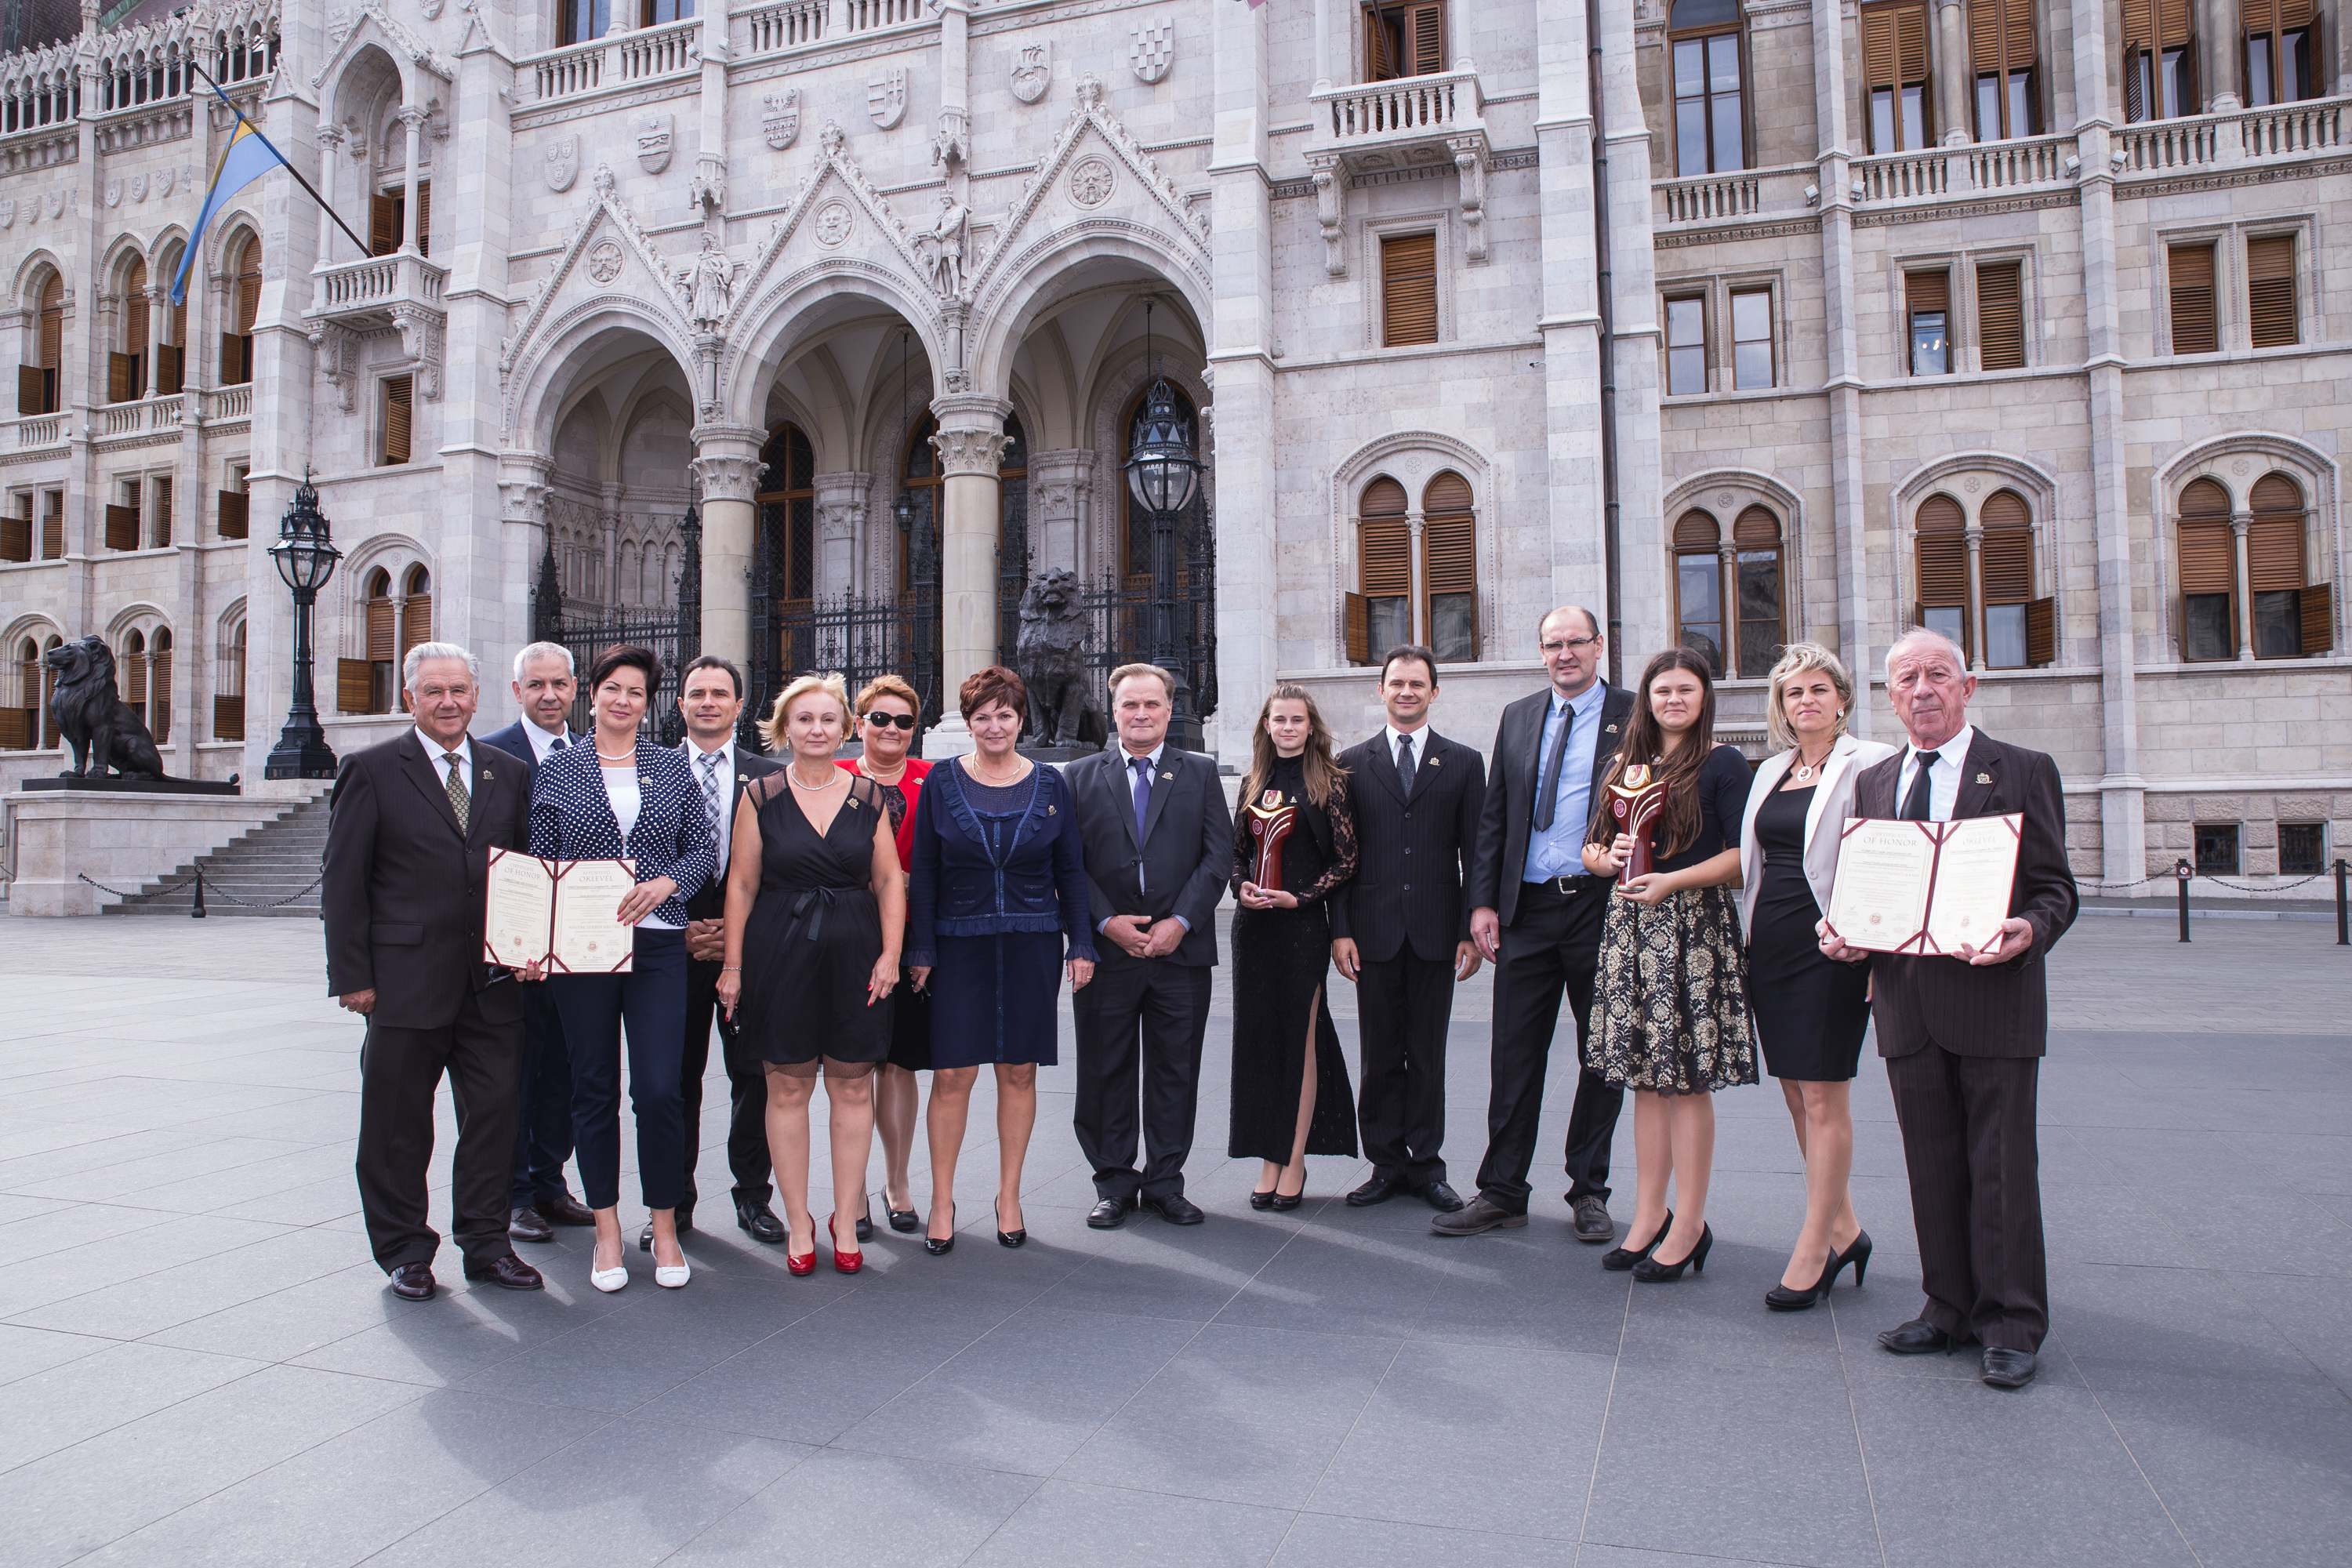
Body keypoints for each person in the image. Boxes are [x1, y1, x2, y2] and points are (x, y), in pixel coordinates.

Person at [1820, 628, 2078, 1389]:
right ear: (1890, 696)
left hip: (1994, 998)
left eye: (1938, 674)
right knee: (1929, 1161)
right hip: (1908, 1003)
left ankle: (2010, 1320)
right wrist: (1846, 935)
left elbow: (2055, 889)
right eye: (1907, 678)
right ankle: (1947, 1304)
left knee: (2000, 1164)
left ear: (1967, 687)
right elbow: (1868, 895)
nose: (1923, 689)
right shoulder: (1875, 783)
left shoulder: (2023, 771)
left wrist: (2029, 928)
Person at [323, 641, 543, 1301]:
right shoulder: (371, 770)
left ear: (478, 697)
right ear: (410, 699)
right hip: (402, 984)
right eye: (434, 692)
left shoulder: (508, 772)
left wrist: (532, 943)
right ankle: (404, 1251)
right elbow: (343, 882)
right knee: (396, 1125)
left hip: (493, 983)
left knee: (494, 1119)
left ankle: (486, 1245)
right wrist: (353, 978)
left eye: (459, 691)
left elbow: (524, 873)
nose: (448, 702)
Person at [1440, 607, 1636, 1241]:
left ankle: (1589, 1189)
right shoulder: (1519, 715)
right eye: (1552, 644)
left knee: (1600, 1054)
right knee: (1514, 1053)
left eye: (1575, 643)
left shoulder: (1634, 716)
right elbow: (1495, 816)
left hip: (1599, 907)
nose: (1564, 654)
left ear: (1599, 646)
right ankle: (1502, 1189)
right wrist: (1482, 903)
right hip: (1525, 909)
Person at [529, 644, 714, 1294]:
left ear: (647, 703)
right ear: (593, 694)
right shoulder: (559, 769)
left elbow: (703, 853)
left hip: (660, 945)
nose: (622, 700)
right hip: (583, 950)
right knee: (594, 1088)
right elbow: (540, 862)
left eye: (635, 692)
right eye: (612, 688)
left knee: (662, 1089)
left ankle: (663, 1225)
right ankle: (606, 1228)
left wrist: (667, 885)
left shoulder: (670, 767)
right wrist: (534, 940)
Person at [717, 675, 903, 1277]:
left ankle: (844, 1216)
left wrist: (891, 956)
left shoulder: (870, 795)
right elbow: (742, 884)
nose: (817, 729)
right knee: (787, 1089)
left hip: (856, 955)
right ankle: (799, 1220)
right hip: (780, 953)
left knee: (853, 1088)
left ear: (845, 727)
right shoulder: (760, 795)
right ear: (784, 729)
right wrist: (733, 966)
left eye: (828, 719)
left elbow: (888, 881)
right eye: (804, 720)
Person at [905, 666, 1096, 1252]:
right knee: (953, 1073)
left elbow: (1071, 869)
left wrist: (1081, 942)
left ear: (1021, 720)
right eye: (982, 716)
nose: (994, 725)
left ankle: (1008, 1196)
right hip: (958, 945)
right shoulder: (940, 781)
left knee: (1019, 1070)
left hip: (1032, 941)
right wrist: (921, 947)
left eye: (1005, 714)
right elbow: (926, 872)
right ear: (969, 724)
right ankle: (942, 1199)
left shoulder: (1050, 783)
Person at [1584, 648, 1756, 1283]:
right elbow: (1592, 848)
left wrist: (1670, 880)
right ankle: (1649, 1215)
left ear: (1704, 697)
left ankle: (1690, 1224)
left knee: (1685, 1078)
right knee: (1644, 1080)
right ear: (1646, 699)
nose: (1673, 700)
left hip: (1692, 925)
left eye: (1686, 690)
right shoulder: (1623, 765)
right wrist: (1611, 857)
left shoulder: (1723, 763)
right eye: (1662, 691)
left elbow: (1741, 858)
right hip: (1630, 926)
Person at [1737, 643, 1895, 1310]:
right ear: (1781, 706)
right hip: (1768, 945)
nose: (1807, 702)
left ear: (1842, 699)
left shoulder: (1874, 762)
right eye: (1794, 693)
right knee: (1797, 1093)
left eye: (1818, 691)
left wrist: (1869, 936)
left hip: (1833, 946)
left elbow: (1889, 853)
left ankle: (1815, 1247)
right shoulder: (1771, 769)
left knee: (1826, 1094)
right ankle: (1846, 1228)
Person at [1067, 663, 1235, 1228]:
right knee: (1104, 1069)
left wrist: (1181, 922)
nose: (1141, 714)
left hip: (1180, 955)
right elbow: (1066, 865)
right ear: (1113, 711)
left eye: (1152, 706)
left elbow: (1219, 857)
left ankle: (1165, 1181)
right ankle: (1113, 1181)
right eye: (1130, 706)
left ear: (1170, 711)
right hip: (1106, 954)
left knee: (1174, 1071)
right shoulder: (1080, 776)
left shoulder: (1201, 773)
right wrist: (1105, 921)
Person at [1330, 645, 1483, 1211]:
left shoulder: (1464, 763)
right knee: (1379, 1052)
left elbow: (1476, 852)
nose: (1406, 692)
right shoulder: (1348, 763)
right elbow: (1344, 858)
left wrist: (1470, 927)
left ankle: (1427, 1165)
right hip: (1372, 933)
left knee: (1427, 1052)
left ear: (1434, 692)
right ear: (1381, 690)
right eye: (1396, 683)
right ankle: (1385, 1163)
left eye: (1417, 684)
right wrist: (1340, 930)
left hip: (1437, 932)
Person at [479, 641, 597, 1245]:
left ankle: (550, 1181)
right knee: (519, 1072)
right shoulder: (491, 754)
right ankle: (517, 1193)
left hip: (583, 942)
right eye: (537, 685)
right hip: (520, 948)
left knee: (566, 1069)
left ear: (576, 689)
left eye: (560, 684)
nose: (549, 695)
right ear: (518, 690)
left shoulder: (592, 755)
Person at [669, 655, 786, 1249]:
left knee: (753, 1077)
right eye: (697, 693)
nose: (708, 702)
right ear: (681, 703)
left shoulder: (769, 777)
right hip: (673, 949)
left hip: (750, 950)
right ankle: (674, 1204)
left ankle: (752, 1197)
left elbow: (783, 870)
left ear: (740, 706)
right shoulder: (654, 772)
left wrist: (734, 933)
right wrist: (685, 926)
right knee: (674, 1081)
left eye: (720, 693)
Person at [1229, 683, 1359, 1208]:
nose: (1286, 727)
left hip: (1301, 929)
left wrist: (1299, 899)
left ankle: (1295, 1159)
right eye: (1278, 719)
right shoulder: (1250, 782)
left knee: (1300, 1042)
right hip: (1252, 930)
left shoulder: (1331, 783)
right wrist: (1240, 885)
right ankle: (1269, 1158)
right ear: (1266, 725)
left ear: (1310, 728)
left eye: (1296, 720)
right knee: (1259, 1045)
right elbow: (1235, 855)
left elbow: (1347, 862)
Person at [840, 674, 934, 1238]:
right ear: (860, 724)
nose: (891, 729)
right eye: (880, 719)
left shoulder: (935, 781)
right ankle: (850, 1190)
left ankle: (897, 1182)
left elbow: (949, 858)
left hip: (913, 940)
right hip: (847, 937)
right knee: (850, 1069)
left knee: (898, 1063)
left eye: (902, 721)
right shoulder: (836, 777)